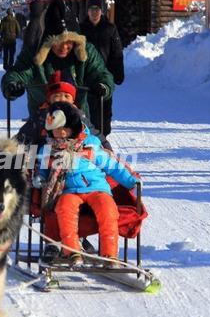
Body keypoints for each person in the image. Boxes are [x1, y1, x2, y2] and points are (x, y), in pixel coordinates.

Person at [37, 102, 138, 267]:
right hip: (69, 190)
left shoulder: (90, 145)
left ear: (74, 127)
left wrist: (131, 182)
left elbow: (112, 166)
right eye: (55, 130)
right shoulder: (48, 149)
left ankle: (109, 255)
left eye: (64, 128)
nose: (59, 133)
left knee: (108, 210)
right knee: (64, 209)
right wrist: (40, 178)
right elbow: (43, 169)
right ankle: (72, 252)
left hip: (97, 188)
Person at [1, 0, 114, 124]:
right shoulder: (35, 54)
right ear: (48, 42)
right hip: (42, 122)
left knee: (92, 142)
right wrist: (12, 85)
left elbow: (101, 73)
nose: (64, 47)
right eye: (58, 42)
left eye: (69, 42)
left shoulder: (86, 52)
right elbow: (17, 73)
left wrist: (103, 86)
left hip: (77, 122)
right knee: (32, 142)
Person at [79, 0, 124, 137]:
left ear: (101, 11)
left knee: (104, 114)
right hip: (86, 77)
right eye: (91, 9)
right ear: (87, 11)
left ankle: (104, 140)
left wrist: (117, 73)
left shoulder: (109, 29)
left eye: (97, 9)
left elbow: (117, 53)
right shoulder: (81, 29)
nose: (94, 12)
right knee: (87, 112)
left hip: (105, 77)